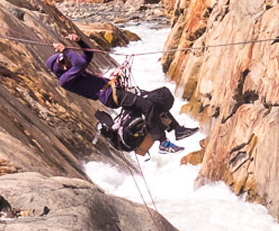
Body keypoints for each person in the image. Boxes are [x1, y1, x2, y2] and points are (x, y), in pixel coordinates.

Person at [46, 33, 197, 153]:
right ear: (58, 69)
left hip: (113, 90)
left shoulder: (72, 71)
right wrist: (65, 50)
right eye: (62, 62)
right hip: (109, 95)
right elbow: (80, 63)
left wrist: (79, 41)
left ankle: (178, 129)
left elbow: (87, 57)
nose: (66, 62)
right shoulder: (65, 79)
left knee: (155, 99)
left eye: (65, 59)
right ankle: (163, 142)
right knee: (148, 105)